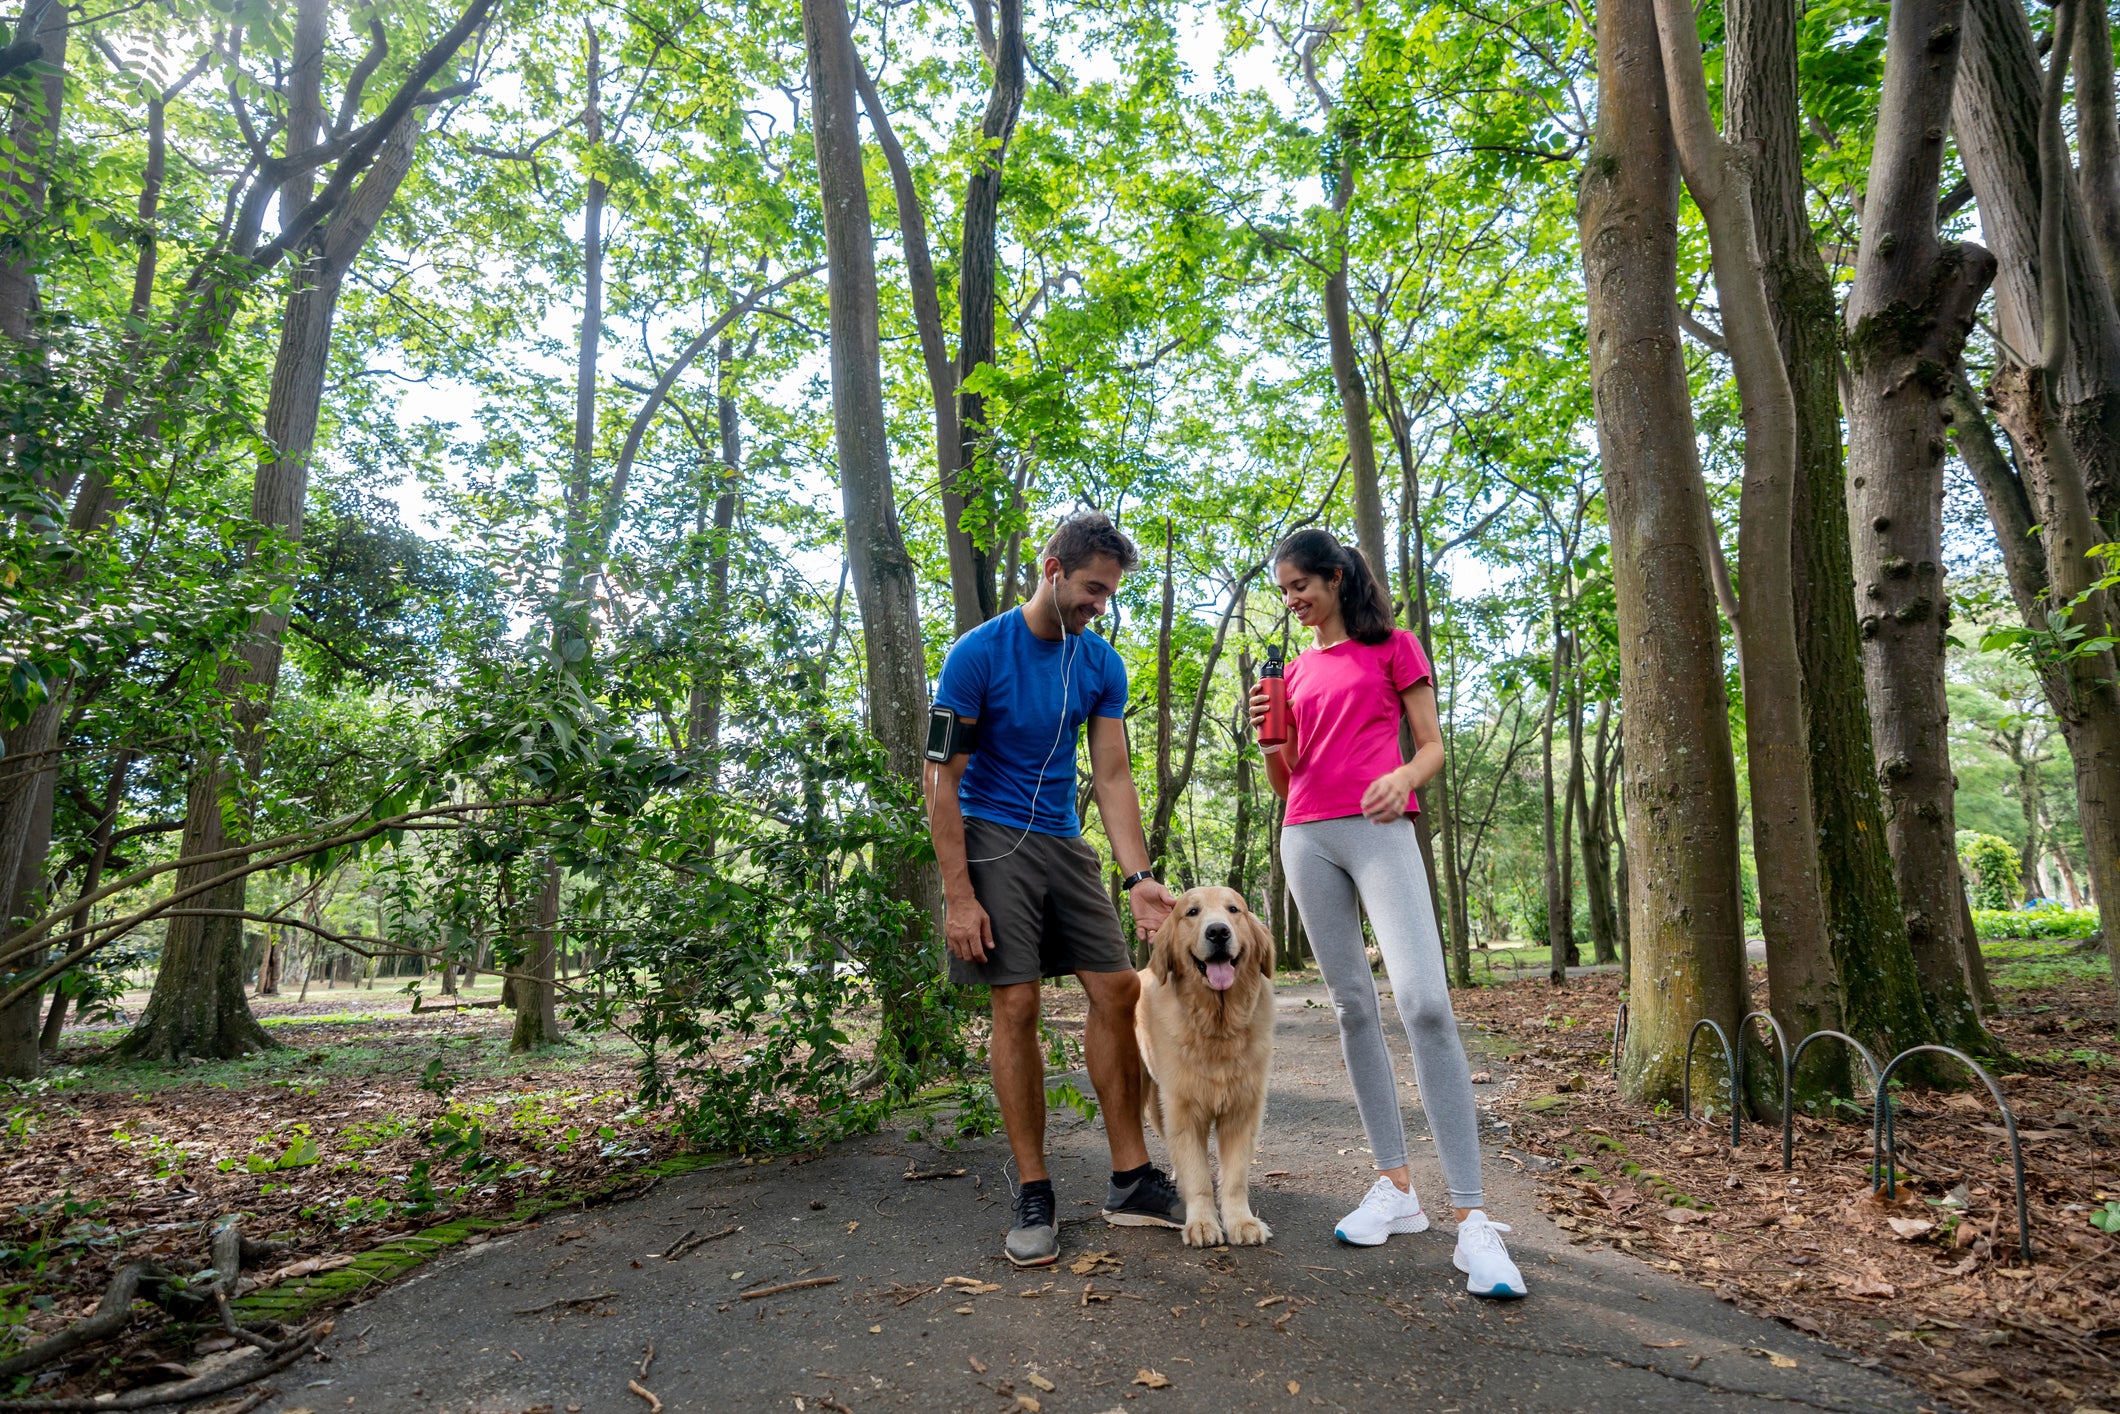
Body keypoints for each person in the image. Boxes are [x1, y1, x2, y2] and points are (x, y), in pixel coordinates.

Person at [1248, 527, 1526, 1299]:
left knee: (1426, 1007)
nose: (1292, 601)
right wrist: (1268, 730)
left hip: (1380, 831)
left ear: (1336, 579)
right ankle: (1396, 1190)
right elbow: (1286, 780)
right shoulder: (1295, 671)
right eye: (1283, 592)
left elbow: (1432, 746)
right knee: (1352, 1010)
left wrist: (1400, 774)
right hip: (1305, 836)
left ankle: (1473, 1221)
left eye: (1299, 586)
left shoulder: (1394, 646)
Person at [926, 510, 1185, 1267]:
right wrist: (959, 895)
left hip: (1063, 842)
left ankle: (1131, 1179)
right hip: (989, 838)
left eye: (1108, 595)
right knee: (1019, 1001)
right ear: (1051, 568)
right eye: (1090, 589)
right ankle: (1035, 1189)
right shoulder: (974, 656)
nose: (1097, 605)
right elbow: (942, 781)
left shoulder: (1101, 664)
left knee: (1118, 990)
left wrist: (1137, 877)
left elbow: (1111, 773)